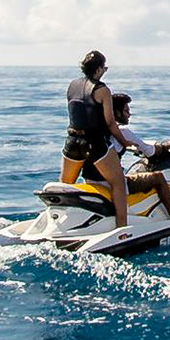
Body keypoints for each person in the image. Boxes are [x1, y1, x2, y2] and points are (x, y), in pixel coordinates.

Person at [81, 93, 170, 220]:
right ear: (116, 113)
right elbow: (150, 152)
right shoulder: (123, 134)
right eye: (126, 110)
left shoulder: (96, 133)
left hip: (91, 181)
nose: (129, 114)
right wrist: (166, 146)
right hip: (113, 184)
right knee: (158, 178)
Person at [61, 50, 132, 227]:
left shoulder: (72, 85)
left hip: (71, 142)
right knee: (118, 182)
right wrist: (125, 142)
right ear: (99, 69)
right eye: (104, 68)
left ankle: (60, 222)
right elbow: (110, 122)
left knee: (65, 185)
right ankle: (122, 228)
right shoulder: (102, 90)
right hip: (93, 143)